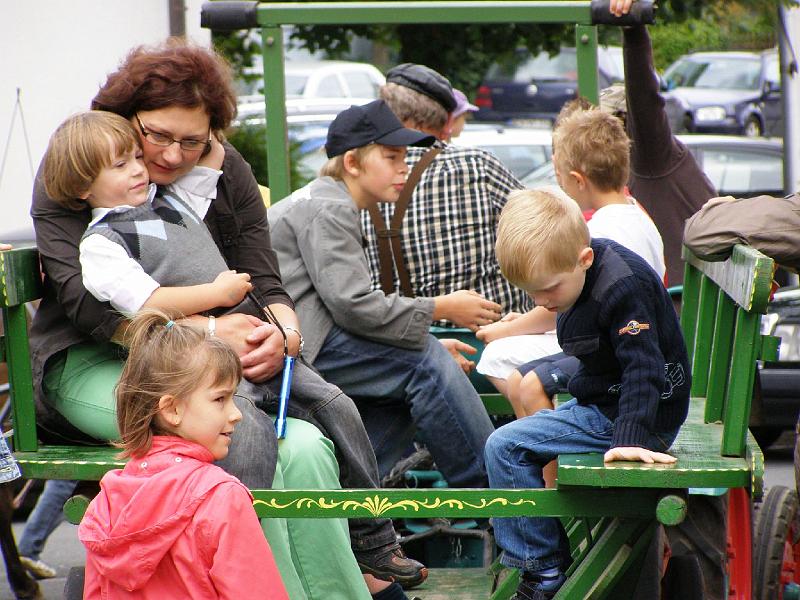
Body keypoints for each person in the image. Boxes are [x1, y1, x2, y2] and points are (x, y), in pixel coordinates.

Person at [30, 39, 418, 600]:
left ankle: (351, 583)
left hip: (205, 351)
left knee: (306, 450)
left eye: (192, 141)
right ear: (125, 118)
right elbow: (87, 305)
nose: (168, 156)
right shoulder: (80, 164)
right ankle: (228, 582)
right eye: (156, 135)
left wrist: (282, 335)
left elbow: (263, 276)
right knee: (231, 430)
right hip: (95, 353)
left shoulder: (221, 169)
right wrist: (211, 332)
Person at [268, 100, 498, 485]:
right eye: (391, 157)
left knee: (408, 388)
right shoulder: (330, 209)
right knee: (422, 362)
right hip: (298, 353)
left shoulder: (321, 199)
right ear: (353, 164)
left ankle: (352, 499)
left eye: (405, 157)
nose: (403, 168)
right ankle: (494, 493)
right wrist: (442, 307)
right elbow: (352, 305)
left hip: (301, 344)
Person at [484, 189, 690, 599]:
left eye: (548, 290)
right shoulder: (582, 276)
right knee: (528, 380)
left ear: (584, 260)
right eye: (531, 293)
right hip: (611, 395)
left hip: (636, 416)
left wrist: (630, 436)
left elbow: (643, 366)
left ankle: (542, 569)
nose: (541, 302)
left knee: (503, 447)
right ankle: (540, 546)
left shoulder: (622, 287)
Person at [79, 309, 288, 599]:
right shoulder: (222, 497)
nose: (236, 414)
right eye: (220, 399)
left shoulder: (109, 498)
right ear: (172, 409)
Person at [477, 107, 666, 416]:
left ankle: (556, 437)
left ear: (577, 180)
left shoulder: (601, 233)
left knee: (497, 355)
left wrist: (510, 329)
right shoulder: (637, 214)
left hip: (613, 346)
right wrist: (522, 322)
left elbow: (566, 308)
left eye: (560, 178)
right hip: (624, 335)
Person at [361, 63, 531, 324]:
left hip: (405, 347)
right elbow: (542, 231)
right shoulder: (477, 165)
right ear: (443, 120)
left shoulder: (362, 183)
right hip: (494, 341)